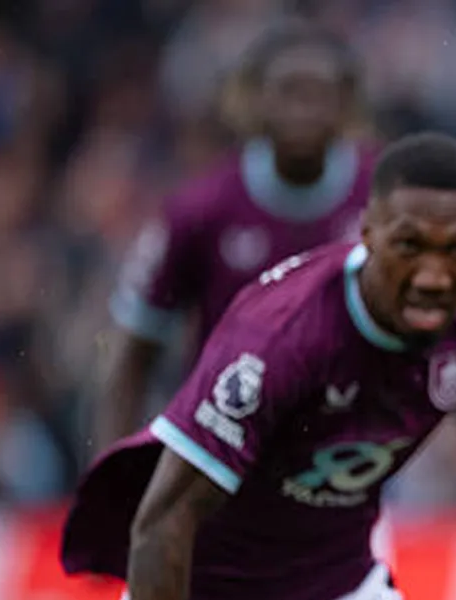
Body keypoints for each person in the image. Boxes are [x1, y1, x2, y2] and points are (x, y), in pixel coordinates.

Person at [62, 132, 456, 600]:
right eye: (410, 245)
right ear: (367, 233)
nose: (434, 275)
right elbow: (161, 526)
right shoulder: (281, 337)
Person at [95, 19, 375, 452]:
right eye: (289, 92)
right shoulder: (200, 209)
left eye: (319, 94)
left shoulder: (384, 202)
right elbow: (135, 351)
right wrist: (113, 472)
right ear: (255, 100)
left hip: (346, 453)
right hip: (226, 449)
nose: (304, 109)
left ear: (347, 105)